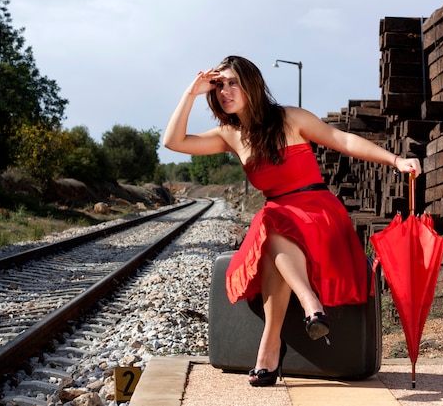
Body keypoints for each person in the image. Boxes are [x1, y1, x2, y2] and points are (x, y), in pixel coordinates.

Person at [163, 55, 421, 387]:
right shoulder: (230, 134)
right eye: (218, 85)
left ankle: (279, 338)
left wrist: (396, 160)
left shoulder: (290, 117)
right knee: (271, 226)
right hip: (279, 217)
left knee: (269, 221)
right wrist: (191, 93)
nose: (224, 91)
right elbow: (173, 142)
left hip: (318, 212)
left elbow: (342, 140)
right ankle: (295, 322)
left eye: (232, 83)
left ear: (252, 84)